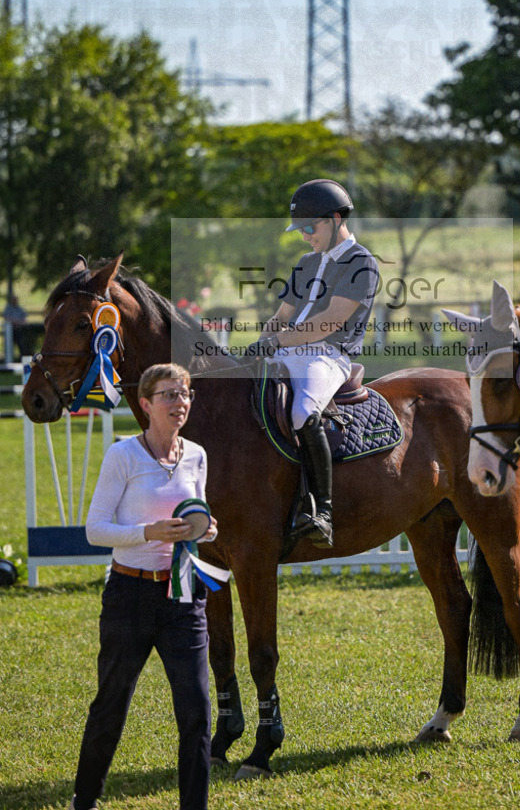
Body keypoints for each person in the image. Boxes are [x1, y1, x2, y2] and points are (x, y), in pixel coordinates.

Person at [69, 363, 217, 810]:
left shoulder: (197, 455)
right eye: (169, 395)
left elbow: (198, 513)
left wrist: (205, 530)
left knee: (196, 712)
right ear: (146, 404)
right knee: (111, 704)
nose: (180, 403)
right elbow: (96, 530)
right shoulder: (122, 456)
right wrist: (149, 532)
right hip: (129, 596)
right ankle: (85, 798)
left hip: (184, 594)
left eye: (185, 394)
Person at [248, 178, 379, 547]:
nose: (305, 236)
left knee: (304, 410)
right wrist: (259, 345)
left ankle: (322, 511)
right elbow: (281, 315)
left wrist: (276, 341)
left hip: (329, 355)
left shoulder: (361, 263)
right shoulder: (306, 262)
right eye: (300, 230)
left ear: (337, 219)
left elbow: (327, 323)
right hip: (287, 348)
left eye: (311, 227)